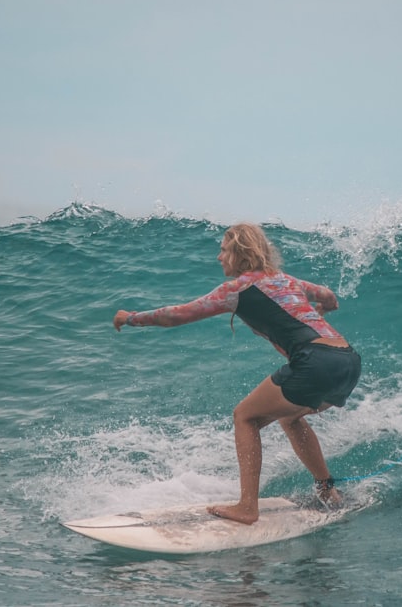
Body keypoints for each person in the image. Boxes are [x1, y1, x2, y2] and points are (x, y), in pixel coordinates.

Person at [113, 223, 362, 525]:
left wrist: (131, 319)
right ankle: (327, 491)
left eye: (223, 249)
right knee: (289, 417)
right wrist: (321, 309)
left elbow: (175, 315)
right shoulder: (285, 279)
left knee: (245, 416)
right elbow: (328, 295)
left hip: (315, 362)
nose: (219, 257)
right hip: (347, 360)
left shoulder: (238, 289)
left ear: (239, 252)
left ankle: (247, 507)